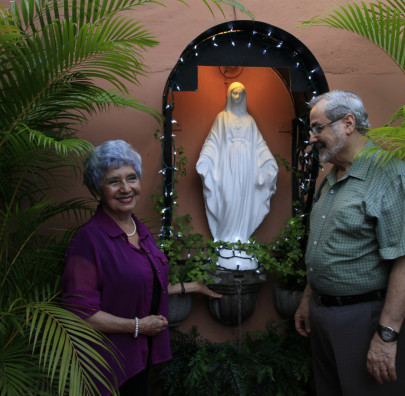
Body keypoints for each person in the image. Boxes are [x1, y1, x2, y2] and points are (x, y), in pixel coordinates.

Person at [61, 140, 221, 396]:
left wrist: (191, 286)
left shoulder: (139, 230)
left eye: (131, 178)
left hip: (139, 359)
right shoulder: (88, 240)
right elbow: (79, 313)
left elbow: (144, 283)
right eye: (114, 181)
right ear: (97, 191)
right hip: (108, 365)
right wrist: (137, 326)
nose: (126, 188)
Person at [294, 91, 405, 395]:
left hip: (366, 320)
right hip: (325, 316)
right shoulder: (331, 178)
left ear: (348, 123)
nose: (312, 138)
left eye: (318, 128)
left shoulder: (392, 175)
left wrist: (386, 335)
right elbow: (328, 246)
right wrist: (308, 298)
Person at [196, 82, 278, 245]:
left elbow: (259, 144)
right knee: (228, 198)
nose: (237, 96)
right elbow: (213, 141)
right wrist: (205, 159)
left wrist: (269, 161)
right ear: (229, 96)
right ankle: (225, 239)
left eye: (241, 93)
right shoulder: (222, 118)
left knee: (242, 200)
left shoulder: (250, 121)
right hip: (227, 166)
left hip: (247, 166)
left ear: (244, 96)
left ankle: (240, 238)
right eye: (234, 93)